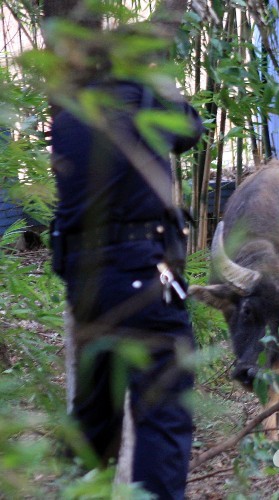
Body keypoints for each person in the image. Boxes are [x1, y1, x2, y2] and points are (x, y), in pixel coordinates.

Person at [50, 74, 204, 499]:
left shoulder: (67, 117)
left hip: (85, 285)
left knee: (94, 419)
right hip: (141, 271)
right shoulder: (146, 102)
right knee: (163, 412)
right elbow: (191, 131)